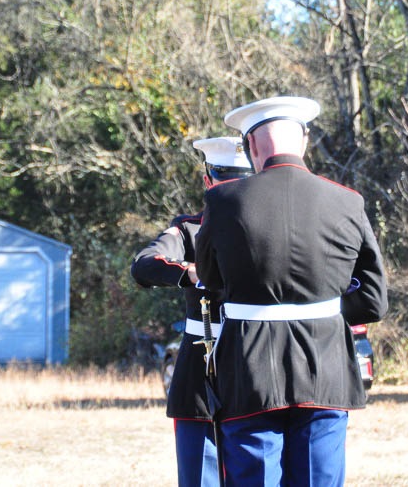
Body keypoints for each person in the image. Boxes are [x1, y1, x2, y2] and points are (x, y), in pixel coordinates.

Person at [195, 96, 388, 486]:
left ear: (251, 145)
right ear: (304, 140)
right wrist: (323, 310)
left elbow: (211, 280)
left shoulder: (222, 201)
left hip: (249, 369)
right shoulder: (348, 201)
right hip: (325, 370)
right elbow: (373, 300)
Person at [131, 136, 254, 487]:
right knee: (202, 474)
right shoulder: (189, 229)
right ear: (207, 180)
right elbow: (144, 264)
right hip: (200, 366)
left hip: (253, 360)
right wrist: (191, 272)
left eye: (241, 181)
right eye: (224, 179)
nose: (232, 189)